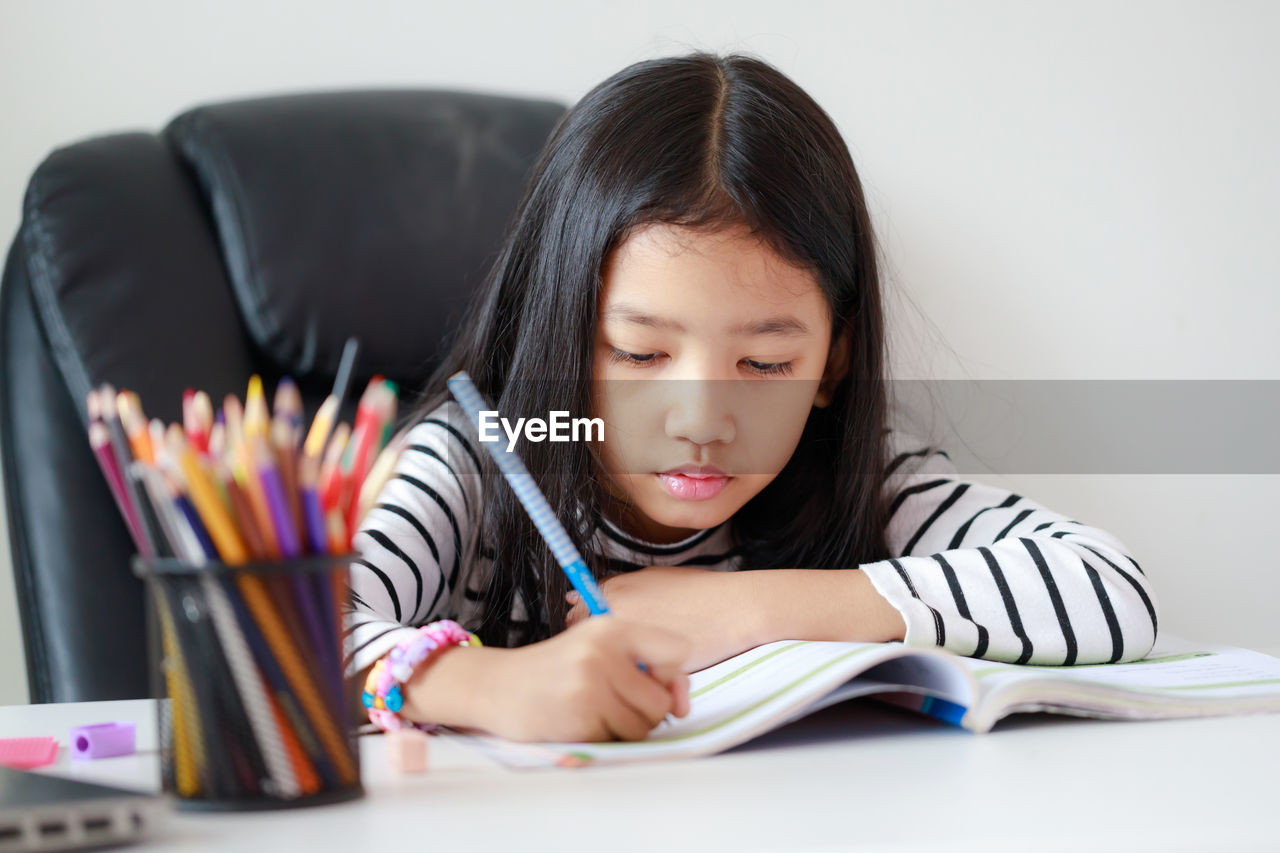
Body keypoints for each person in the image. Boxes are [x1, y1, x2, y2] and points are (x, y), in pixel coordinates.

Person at [347, 52, 1160, 743]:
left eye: (767, 364)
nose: (702, 422)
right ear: (557, 336)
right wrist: (491, 688)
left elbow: (1107, 586)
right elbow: (288, 629)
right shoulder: (474, 463)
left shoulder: (843, 473)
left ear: (832, 362)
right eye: (640, 352)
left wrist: (745, 607)